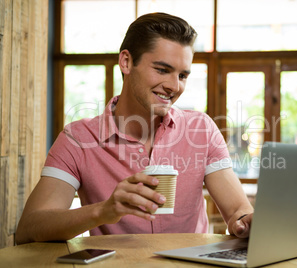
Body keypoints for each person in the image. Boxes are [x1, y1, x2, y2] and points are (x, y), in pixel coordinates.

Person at [15, 12, 254, 245]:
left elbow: (237, 210)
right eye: (162, 70)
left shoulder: (202, 129)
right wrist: (103, 211)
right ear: (126, 62)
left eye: (182, 75)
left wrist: (245, 222)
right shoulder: (78, 139)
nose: (174, 86)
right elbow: (30, 228)